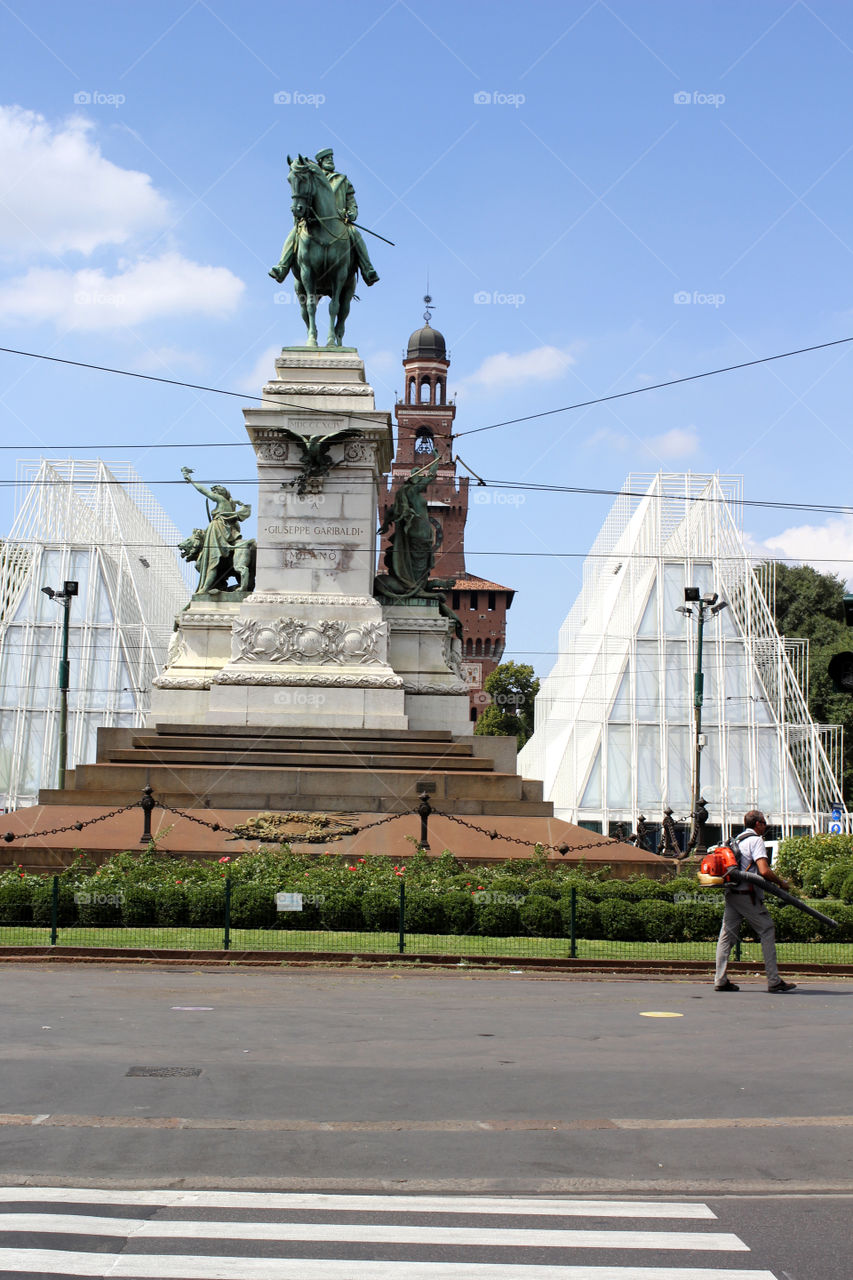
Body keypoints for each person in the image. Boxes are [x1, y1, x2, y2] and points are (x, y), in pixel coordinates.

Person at [714, 809, 797, 993]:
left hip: (732, 892)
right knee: (767, 929)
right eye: (764, 823)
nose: (765, 826)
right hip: (748, 894)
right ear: (757, 824)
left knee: (726, 936)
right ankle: (774, 980)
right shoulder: (756, 840)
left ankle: (720, 979)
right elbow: (764, 870)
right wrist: (781, 883)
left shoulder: (736, 840)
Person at [271, 148, 379, 286]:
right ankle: (282, 267)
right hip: (313, 220)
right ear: (320, 162)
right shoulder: (313, 178)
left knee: (355, 234)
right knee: (294, 233)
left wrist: (351, 213)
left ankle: (367, 269)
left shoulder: (342, 180)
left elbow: (351, 201)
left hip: (339, 220)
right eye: (327, 159)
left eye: (331, 158)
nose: (330, 161)